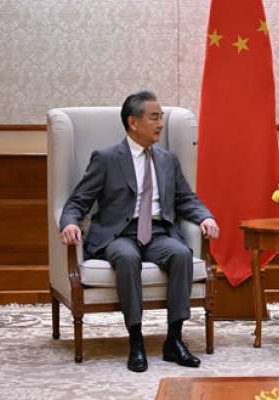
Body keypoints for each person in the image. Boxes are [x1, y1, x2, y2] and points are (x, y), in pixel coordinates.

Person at [59, 91, 220, 372]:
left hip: (158, 232)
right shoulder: (107, 158)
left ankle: (174, 340)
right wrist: (70, 223)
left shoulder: (167, 159)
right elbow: (77, 202)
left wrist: (205, 217)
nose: (160, 124)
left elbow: (186, 199)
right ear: (133, 122)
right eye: (154, 117)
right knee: (126, 257)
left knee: (181, 254)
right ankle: (136, 341)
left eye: (161, 117)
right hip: (119, 234)